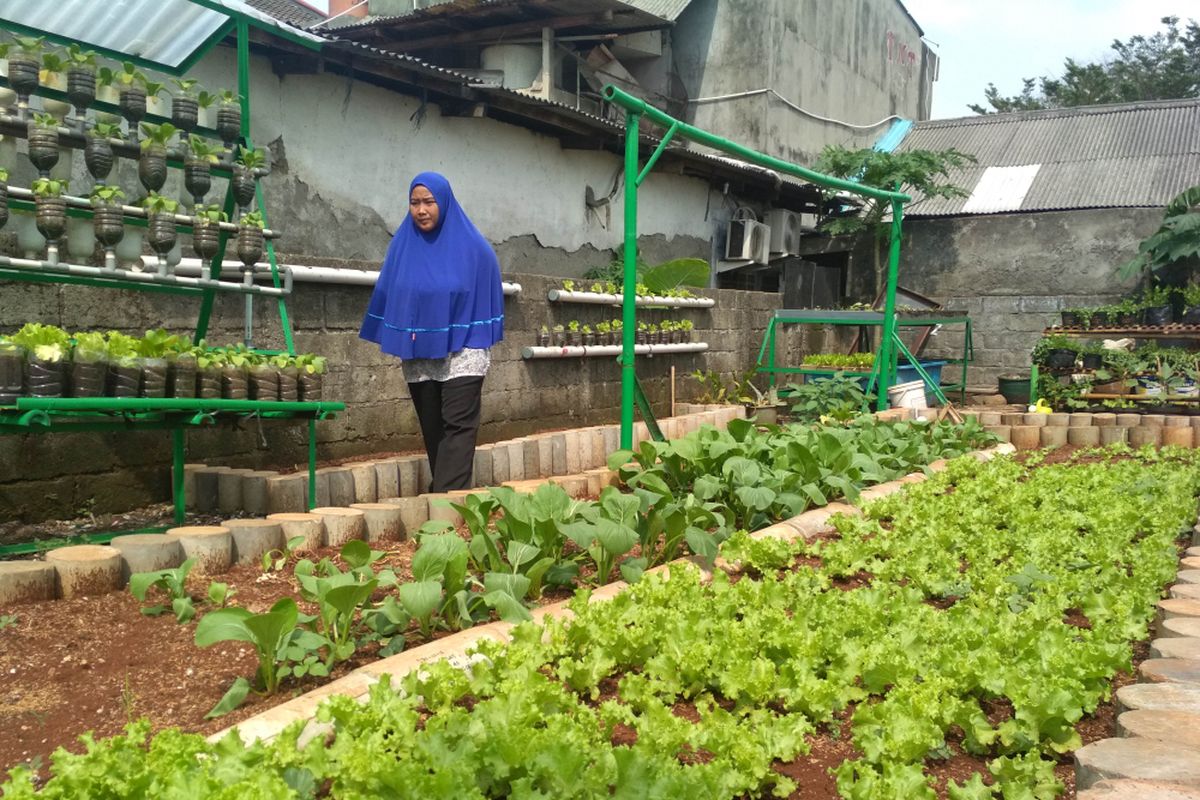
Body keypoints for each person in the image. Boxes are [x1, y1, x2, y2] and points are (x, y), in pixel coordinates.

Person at [359, 172, 504, 493]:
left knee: (458, 426)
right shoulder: (401, 247)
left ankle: (443, 505)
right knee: (433, 429)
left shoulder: (474, 249)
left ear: (445, 203)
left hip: (463, 352)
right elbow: (390, 291)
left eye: (428, 202)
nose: (421, 210)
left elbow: (486, 285)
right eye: (414, 203)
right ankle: (449, 499)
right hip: (420, 354)